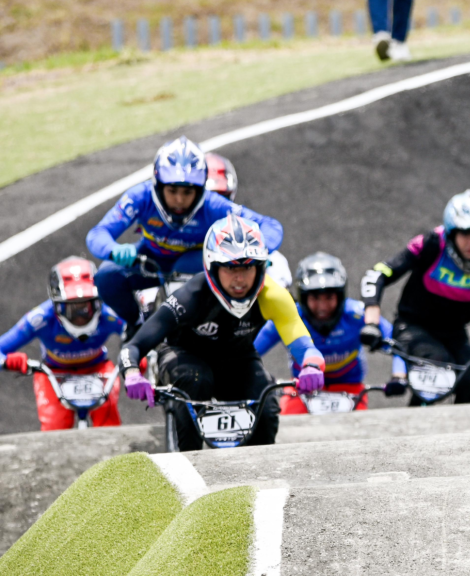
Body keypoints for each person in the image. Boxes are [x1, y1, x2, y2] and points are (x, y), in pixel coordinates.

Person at [118, 214, 324, 451]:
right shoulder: (190, 296)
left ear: (261, 267)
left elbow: (303, 343)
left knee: (266, 404)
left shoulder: (273, 295)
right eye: (229, 267)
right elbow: (133, 347)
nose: (239, 279)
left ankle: (261, 473)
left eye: (248, 267)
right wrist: (133, 373)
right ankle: (189, 466)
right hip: (184, 357)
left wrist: (311, 365)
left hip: (237, 361)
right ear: (212, 267)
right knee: (196, 380)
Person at [87, 137, 283, 338]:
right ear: (158, 185)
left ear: (200, 190)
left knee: (185, 265)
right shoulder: (140, 197)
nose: (179, 200)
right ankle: (136, 323)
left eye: (187, 192)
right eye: (172, 191)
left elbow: (270, 226)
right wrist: (114, 249)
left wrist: (259, 251)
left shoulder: (213, 205)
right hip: (151, 259)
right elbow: (98, 234)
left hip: (195, 263)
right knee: (106, 277)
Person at [359, 190, 470, 404]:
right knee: (435, 366)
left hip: (454, 333)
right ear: (452, 233)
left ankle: (467, 437)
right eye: (465, 233)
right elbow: (378, 274)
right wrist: (371, 323)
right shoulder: (432, 243)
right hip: (412, 327)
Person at [255, 252, 401, 413]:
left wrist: (399, 376)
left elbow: (397, 344)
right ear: (304, 297)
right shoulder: (289, 316)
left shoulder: (358, 314)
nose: (322, 307)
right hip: (301, 389)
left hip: (351, 390)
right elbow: (250, 351)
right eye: (315, 298)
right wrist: (259, 377)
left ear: (340, 296)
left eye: (329, 297)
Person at [0, 257, 125, 430]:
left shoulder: (110, 314)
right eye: (72, 307)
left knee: (109, 426)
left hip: (98, 370)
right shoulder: (39, 318)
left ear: (97, 301)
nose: (80, 315)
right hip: (53, 373)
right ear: (57, 305)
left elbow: (140, 334)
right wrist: (9, 362)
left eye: (85, 306)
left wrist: (137, 355)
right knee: (54, 428)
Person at [205, 151, 291, 289]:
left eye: (220, 196)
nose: (215, 204)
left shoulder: (230, 212)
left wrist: (254, 253)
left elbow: (271, 227)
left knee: (277, 262)